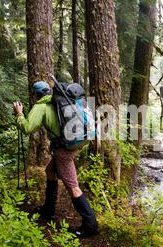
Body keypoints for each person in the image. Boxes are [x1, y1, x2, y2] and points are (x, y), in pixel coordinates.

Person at [12, 81, 99, 238]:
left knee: (73, 186)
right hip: (75, 142)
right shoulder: (59, 101)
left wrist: (19, 113)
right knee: (50, 170)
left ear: (35, 95)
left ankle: (90, 226)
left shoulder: (41, 106)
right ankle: (48, 209)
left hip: (63, 150)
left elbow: (27, 128)